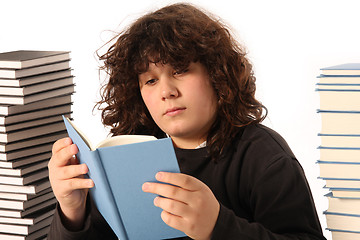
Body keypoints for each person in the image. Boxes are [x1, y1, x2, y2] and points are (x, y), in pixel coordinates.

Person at [48, 3, 326, 240]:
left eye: (180, 70)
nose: (166, 92)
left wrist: (218, 227)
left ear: (218, 75)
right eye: (151, 80)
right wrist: (72, 211)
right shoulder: (129, 159)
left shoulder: (264, 157)